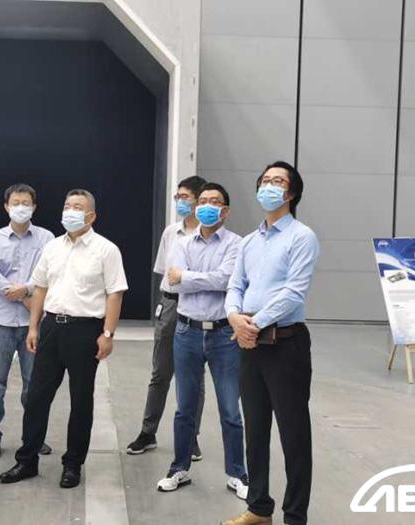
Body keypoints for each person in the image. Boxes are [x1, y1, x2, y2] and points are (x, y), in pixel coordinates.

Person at [0, 189, 128, 489]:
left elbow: (115, 293)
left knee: (81, 400)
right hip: (51, 328)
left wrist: (108, 334)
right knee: (36, 397)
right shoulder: (53, 247)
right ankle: (27, 460)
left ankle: (72, 464)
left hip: (86, 330)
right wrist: (34, 327)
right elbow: (40, 288)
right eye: (67, 205)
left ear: (91, 215)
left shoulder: (106, 249)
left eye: (78, 207)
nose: (70, 211)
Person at [221, 161, 319, 525]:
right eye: (265, 180)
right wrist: (234, 317)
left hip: (285, 345)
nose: (269, 186)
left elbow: (294, 292)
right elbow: (235, 286)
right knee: (256, 429)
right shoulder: (249, 242)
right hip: (250, 345)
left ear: (291, 193)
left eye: (278, 181)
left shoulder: (302, 237)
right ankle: (259, 508)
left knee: (294, 434)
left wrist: (254, 323)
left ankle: (295, 517)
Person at [156, 182, 249, 500]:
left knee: (230, 410)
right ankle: (178, 469)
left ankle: (237, 473)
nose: (207, 206)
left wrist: (188, 277)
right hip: (187, 332)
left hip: (224, 334)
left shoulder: (237, 244)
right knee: (184, 407)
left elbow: (227, 279)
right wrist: (192, 280)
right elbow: (173, 283)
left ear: (225, 210)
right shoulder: (181, 242)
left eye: (215, 201)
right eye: (204, 201)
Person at [127, 175, 207, 460]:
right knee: (160, 373)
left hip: (197, 307)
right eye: (178, 197)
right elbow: (163, 272)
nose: (180, 202)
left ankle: (191, 437)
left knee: (194, 378)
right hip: (171, 304)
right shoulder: (171, 232)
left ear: (199, 201)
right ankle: (148, 432)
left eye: (185, 197)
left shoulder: (210, 236)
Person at [0, 183, 54, 458]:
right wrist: (15, 292)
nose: (21, 207)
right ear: (6, 207)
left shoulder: (46, 238)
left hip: (33, 322)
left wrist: (25, 290)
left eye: (26, 203)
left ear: (34, 207)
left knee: (34, 383)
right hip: (1, 321)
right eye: (16, 203)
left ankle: (33, 437)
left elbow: (48, 274)